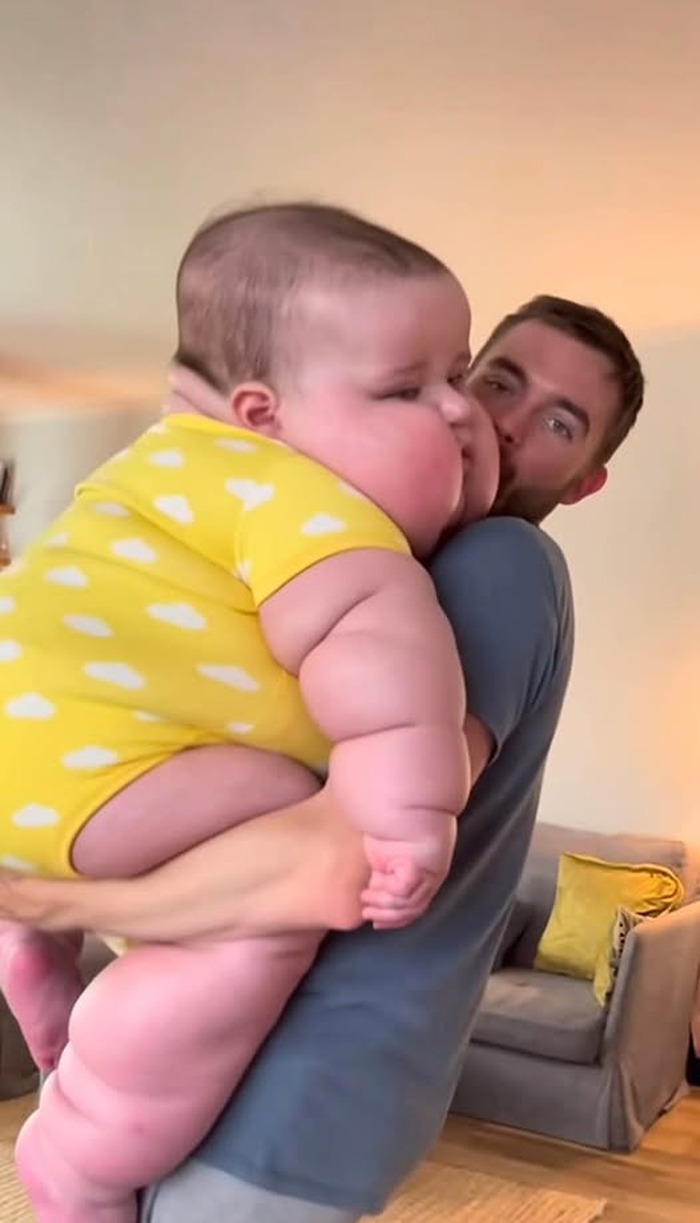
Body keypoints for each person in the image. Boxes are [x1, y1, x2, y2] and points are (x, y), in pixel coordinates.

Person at [0, 293, 644, 1223]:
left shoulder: (499, 561)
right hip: (242, 1048)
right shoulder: (371, 551)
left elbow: (340, 847)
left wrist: (54, 903)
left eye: (558, 422)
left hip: (307, 1069)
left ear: (585, 481)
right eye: (500, 381)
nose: (507, 422)